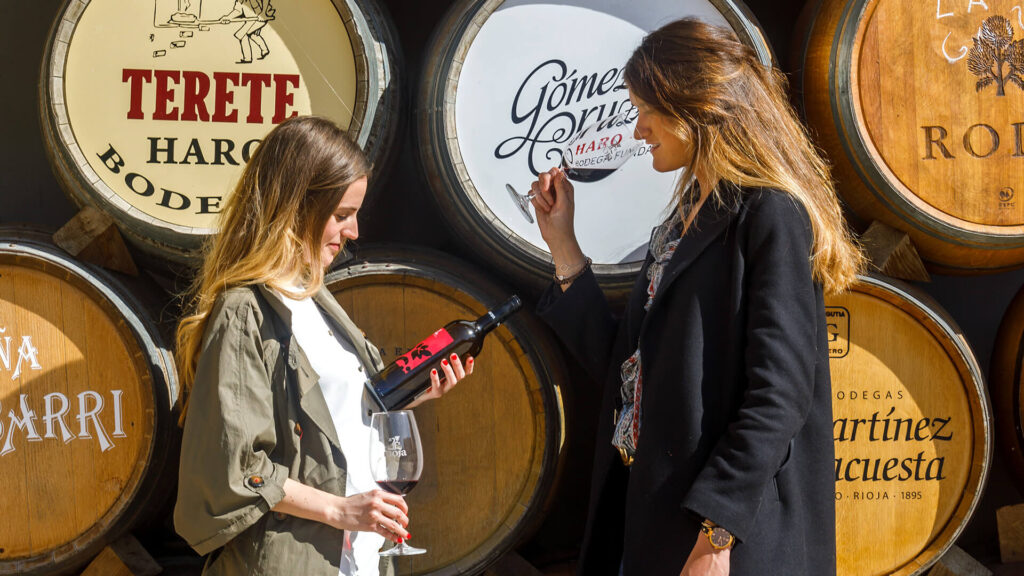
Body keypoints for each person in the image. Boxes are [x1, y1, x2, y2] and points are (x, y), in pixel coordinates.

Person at [528, 18, 864, 576]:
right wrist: (563, 245)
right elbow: (630, 370)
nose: (638, 131)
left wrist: (717, 533)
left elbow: (779, 395)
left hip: (723, 539)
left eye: (644, 111)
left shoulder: (770, 214)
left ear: (694, 105)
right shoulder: (688, 219)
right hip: (660, 518)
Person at [173, 115, 474, 576]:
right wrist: (340, 510)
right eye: (341, 215)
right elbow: (233, 466)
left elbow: (334, 422)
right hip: (292, 560)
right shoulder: (245, 310)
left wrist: (414, 393)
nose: (353, 232)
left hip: (356, 559)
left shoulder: (314, 298)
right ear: (295, 208)